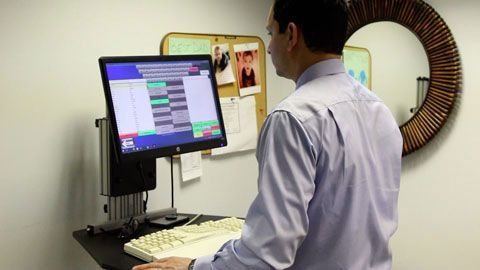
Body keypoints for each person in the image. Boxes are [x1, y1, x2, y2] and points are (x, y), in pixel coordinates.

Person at [132, 0, 402, 269]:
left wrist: (193, 267)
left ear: (292, 35)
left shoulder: (293, 119)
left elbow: (265, 256)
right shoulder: (379, 110)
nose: (269, 47)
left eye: (272, 34)